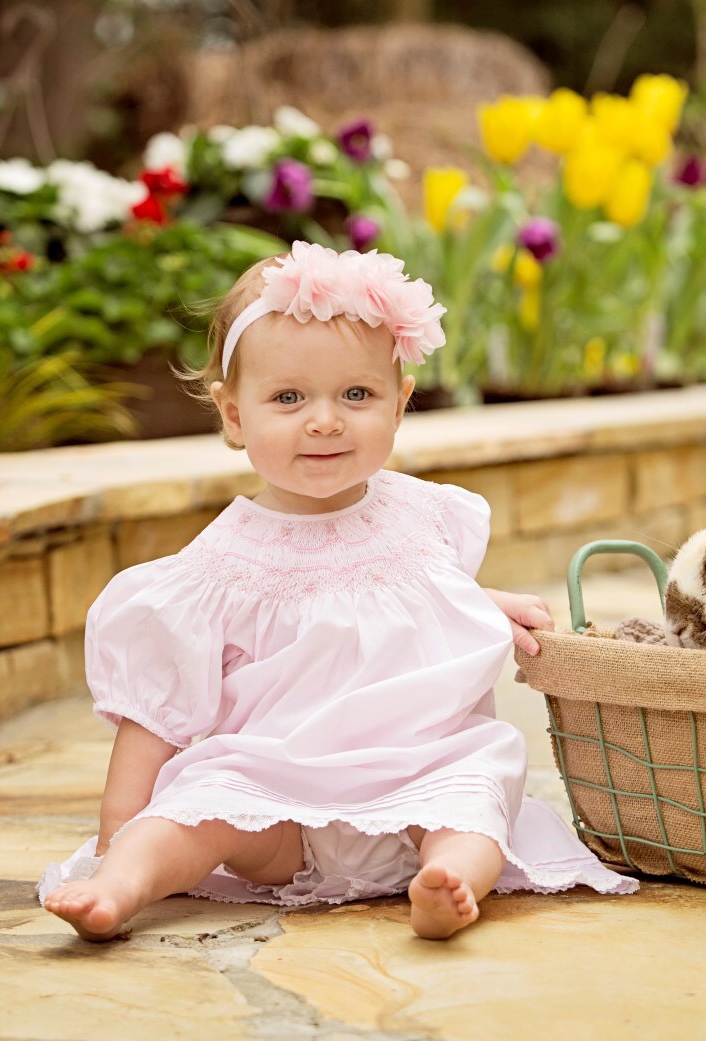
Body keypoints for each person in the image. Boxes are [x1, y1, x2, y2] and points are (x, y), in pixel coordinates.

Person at [39, 241, 636, 942]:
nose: (325, 420)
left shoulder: (425, 516)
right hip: (277, 800)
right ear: (233, 415)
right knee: (199, 807)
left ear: (400, 404)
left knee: (476, 789)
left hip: (419, 774)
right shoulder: (219, 566)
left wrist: (483, 603)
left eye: (357, 395)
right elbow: (156, 716)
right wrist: (121, 828)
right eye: (288, 398)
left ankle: (445, 884)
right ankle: (121, 885)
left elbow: (423, 592)